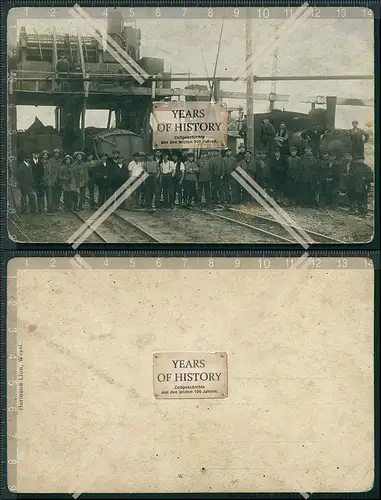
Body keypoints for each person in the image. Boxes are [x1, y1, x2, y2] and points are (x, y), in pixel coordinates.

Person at [43, 148, 62, 213]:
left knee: (59, 194)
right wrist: (52, 180)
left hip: (60, 179)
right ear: (53, 154)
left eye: (58, 153)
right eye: (55, 153)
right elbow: (49, 171)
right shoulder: (50, 161)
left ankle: (57, 206)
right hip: (53, 179)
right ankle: (52, 207)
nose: (57, 154)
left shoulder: (60, 161)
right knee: (52, 194)